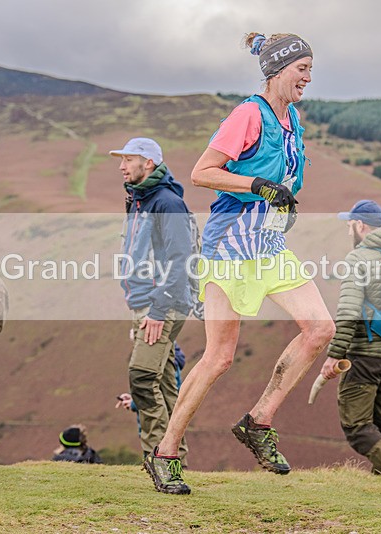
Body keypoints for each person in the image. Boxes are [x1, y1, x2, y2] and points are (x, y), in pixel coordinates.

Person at [143, 33, 335, 495]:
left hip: (267, 243)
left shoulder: (293, 121)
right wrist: (258, 186)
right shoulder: (249, 114)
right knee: (219, 357)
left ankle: (259, 419)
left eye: (311, 69)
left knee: (321, 329)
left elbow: (285, 179)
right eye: (301, 69)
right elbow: (202, 172)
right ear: (276, 71)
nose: (308, 77)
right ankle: (165, 452)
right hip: (230, 244)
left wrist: (281, 202)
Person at [110, 137, 192, 464]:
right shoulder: (139, 199)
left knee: (142, 376)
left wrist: (157, 310)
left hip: (161, 304)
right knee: (167, 385)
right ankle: (177, 461)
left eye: (128, 159)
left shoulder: (167, 202)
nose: (121, 166)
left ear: (148, 163)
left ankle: (159, 460)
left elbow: (180, 259)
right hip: (146, 303)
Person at [320, 199, 381, 481]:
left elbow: (348, 312)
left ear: (360, 225)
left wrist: (335, 354)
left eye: (350, 225)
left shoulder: (358, 259)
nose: (349, 231)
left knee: (356, 425)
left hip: (366, 355)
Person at [115, 343, 187, 458]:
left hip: (161, 431)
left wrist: (134, 404)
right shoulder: (166, 360)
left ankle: (160, 465)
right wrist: (133, 399)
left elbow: (154, 396)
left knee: (158, 453)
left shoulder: (156, 362)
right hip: (166, 428)